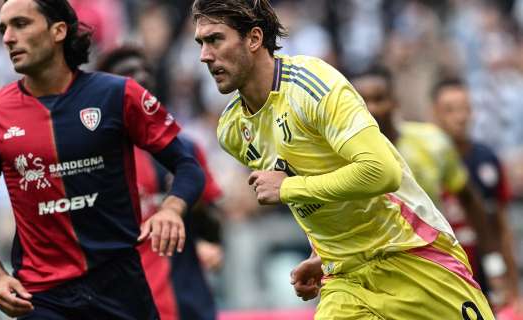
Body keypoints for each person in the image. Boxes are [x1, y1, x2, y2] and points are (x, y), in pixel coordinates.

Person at [192, 0, 495, 318]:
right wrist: (319, 253)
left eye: (215, 39)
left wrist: (289, 189)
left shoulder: (311, 86)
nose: (205, 55)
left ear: (253, 39)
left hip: (411, 255)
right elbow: (316, 190)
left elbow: (381, 172)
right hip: (345, 280)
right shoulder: (232, 131)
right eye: (200, 43)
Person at [0, 0, 205, 319]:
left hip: (121, 288)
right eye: (3, 28)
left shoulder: (118, 95)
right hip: (42, 298)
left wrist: (172, 209)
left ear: (58, 30)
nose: (8, 37)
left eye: (20, 24)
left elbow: (188, 164)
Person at [351, 67, 507, 300]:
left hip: (437, 265)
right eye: (363, 102)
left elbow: (470, 199)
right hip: (378, 275)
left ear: (394, 102)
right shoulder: (344, 157)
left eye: (379, 99)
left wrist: (493, 263)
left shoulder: (432, 143)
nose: (371, 108)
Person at [97, 45, 223, 320]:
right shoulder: (94, 159)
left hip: (188, 299)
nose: (141, 77)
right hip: (126, 303)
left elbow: (212, 222)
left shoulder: (184, 150)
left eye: (145, 70)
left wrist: (201, 225)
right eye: (129, 72)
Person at [432, 78, 520, 308]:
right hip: (443, 276)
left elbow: (501, 226)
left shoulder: (486, 159)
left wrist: (511, 283)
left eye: (464, 108)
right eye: (450, 110)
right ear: (435, 113)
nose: (459, 117)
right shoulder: (426, 163)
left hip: (484, 271)